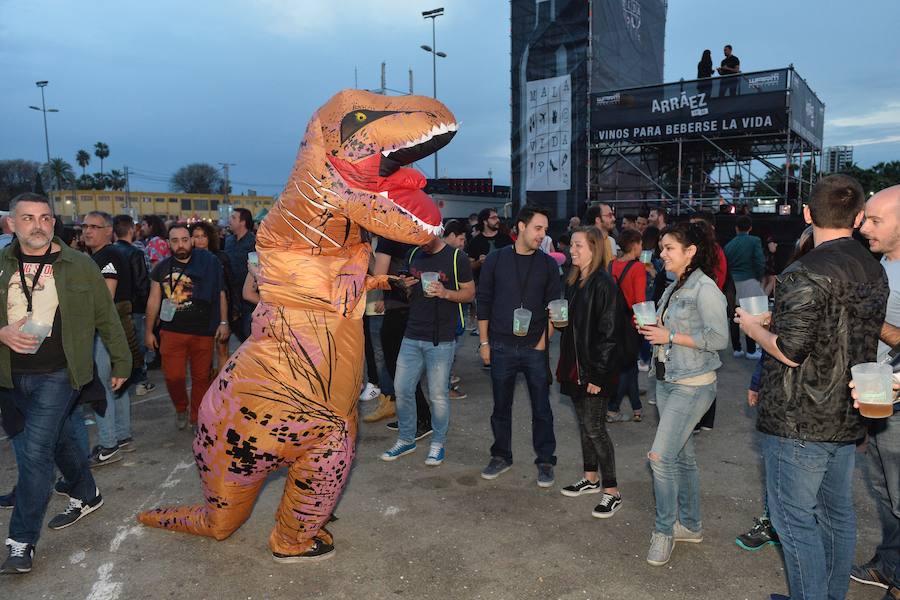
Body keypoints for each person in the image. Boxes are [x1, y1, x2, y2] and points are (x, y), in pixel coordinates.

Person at [737, 174, 888, 600]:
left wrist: (752, 327)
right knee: (836, 517)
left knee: (794, 522)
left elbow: (790, 351)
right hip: (846, 416)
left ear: (807, 214)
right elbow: (835, 331)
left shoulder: (803, 271)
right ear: (858, 217)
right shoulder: (873, 269)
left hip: (798, 420)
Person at [0, 193, 130, 575]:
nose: (37, 225)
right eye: (27, 218)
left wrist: (122, 361)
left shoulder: (79, 265)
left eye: (44, 218)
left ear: (53, 223)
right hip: (10, 376)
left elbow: (106, 316)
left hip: (60, 374)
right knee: (56, 441)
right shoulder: (0, 265)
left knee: (34, 458)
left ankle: (20, 542)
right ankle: (85, 491)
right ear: (12, 224)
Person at [639, 221, 728, 567]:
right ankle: (690, 525)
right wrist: (655, 329)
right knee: (683, 458)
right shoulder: (676, 284)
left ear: (690, 252)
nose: (662, 254)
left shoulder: (705, 288)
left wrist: (670, 337)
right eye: (662, 248)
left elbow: (720, 339)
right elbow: (669, 327)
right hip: (668, 381)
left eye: (669, 248)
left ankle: (665, 531)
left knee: (660, 458)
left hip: (692, 386)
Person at [477, 205, 562, 487]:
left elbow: (554, 308)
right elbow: (483, 303)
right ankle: (501, 455)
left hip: (534, 348)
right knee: (501, 407)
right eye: (538, 228)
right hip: (500, 345)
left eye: (545, 230)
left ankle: (546, 460)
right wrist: (484, 343)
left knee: (542, 409)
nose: (542, 235)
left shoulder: (548, 264)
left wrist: (542, 343)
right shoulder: (496, 259)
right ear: (521, 227)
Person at [380, 226, 474, 465]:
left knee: (438, 395)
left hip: (441, 338)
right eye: (415, 238)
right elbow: (407, 286)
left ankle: (437, 443)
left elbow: (469, 294)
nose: (420, 242)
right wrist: (404, 284)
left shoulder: (456, 257)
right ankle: (406, 438)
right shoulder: (414, 254)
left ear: (436, 230)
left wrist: (445, 293)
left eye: (423, 237)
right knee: (402, 389)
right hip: (412, 333)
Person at [852, 184, 900, 600]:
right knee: (885, 494)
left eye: (875, 220)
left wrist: (869, 318)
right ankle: (888, 566)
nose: (864, 226)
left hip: (898, 404)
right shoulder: (880, 264)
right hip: (877, 398)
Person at [556, 226, 624, 517]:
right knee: (584, 425)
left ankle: (612, 491)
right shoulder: (574, 280)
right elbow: (575, 326)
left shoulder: (604, 283)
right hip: (574, 366)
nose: (572, 250)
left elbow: (610, 334)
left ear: (594, 249)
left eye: (578, 246)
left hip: (595, 369)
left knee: (596, 428)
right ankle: (591, 478)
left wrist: (598, 376)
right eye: (571, 244)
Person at [145, 224, 229, 430]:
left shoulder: (209, 263)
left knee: (202, 378)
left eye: (184, 239)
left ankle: (196, 417)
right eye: (175, 240)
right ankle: (181, 407)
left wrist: (224, 322)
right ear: (168, 243)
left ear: (191, 241)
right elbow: (154, 300)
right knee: (174, 377)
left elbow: (220, 293)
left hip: (204, 331)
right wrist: (148, 331)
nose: (180, 244)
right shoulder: (161, 268)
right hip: (172, 331)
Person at [81, 211, 142, 466]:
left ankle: (109, 444)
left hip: (107, 330)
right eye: (85, 226)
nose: (87, 231)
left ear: (109, 231)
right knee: (116, 385)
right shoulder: (100, 256)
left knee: (103, 386)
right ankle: (121, 436)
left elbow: (105, 299)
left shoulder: (109, 256)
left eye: (94, 226)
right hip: (111, 329)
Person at [113, 215, 154, 397]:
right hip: (135, 307)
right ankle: (140, 381)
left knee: (122, 344)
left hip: (115, 307)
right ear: (131, 230)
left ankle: (125, 378)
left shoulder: (110, 251)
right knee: (137, 346)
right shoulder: (134, 253)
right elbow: (141, 283)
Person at [606, 229, 645, 422]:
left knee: (627, 366)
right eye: (640, 243)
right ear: (635, 244)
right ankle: (612, 408)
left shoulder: (611, 264)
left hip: (613, 322)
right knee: (627, 366)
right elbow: (639, 302)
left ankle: (636, 406)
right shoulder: (638, 269)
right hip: (631, 323)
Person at [190, 221, 236, 376]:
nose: (200, 240)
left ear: (210, 238)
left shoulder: (221, 257)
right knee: (204, 354)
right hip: (199, 314)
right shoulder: (187, 260)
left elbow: (230, 285)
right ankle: (209, 386)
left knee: (222, 349)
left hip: (221, 308)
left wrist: (231, 313)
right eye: (196, 236)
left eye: (203, 236)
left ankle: (223, 387)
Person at [724, 215, 765, 360]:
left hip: (733, 283)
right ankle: (752, 350)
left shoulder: (729, 245)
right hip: (749, 280)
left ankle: (737, 348)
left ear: (736, 228)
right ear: (750, 228)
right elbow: (759, 261)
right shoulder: (754, 241)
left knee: (735, 315)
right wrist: (759, 277)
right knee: (753, 316)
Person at [223, 208, 256, 341]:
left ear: (243, 222)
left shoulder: (255, 242)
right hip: (232, 298)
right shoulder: (228, 241)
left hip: (249, 299)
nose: (229, 220)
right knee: (237, 334)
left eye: (233, 217)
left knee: (249, 336)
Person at [466, 208, 513, 281]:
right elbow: (470, 265)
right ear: (485, 221)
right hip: (484, 283)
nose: (497, 220)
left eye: (497, 217)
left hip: (505, 281)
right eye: (493, 218)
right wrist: (479, 262)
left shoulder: (506, 238)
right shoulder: (475, 241)